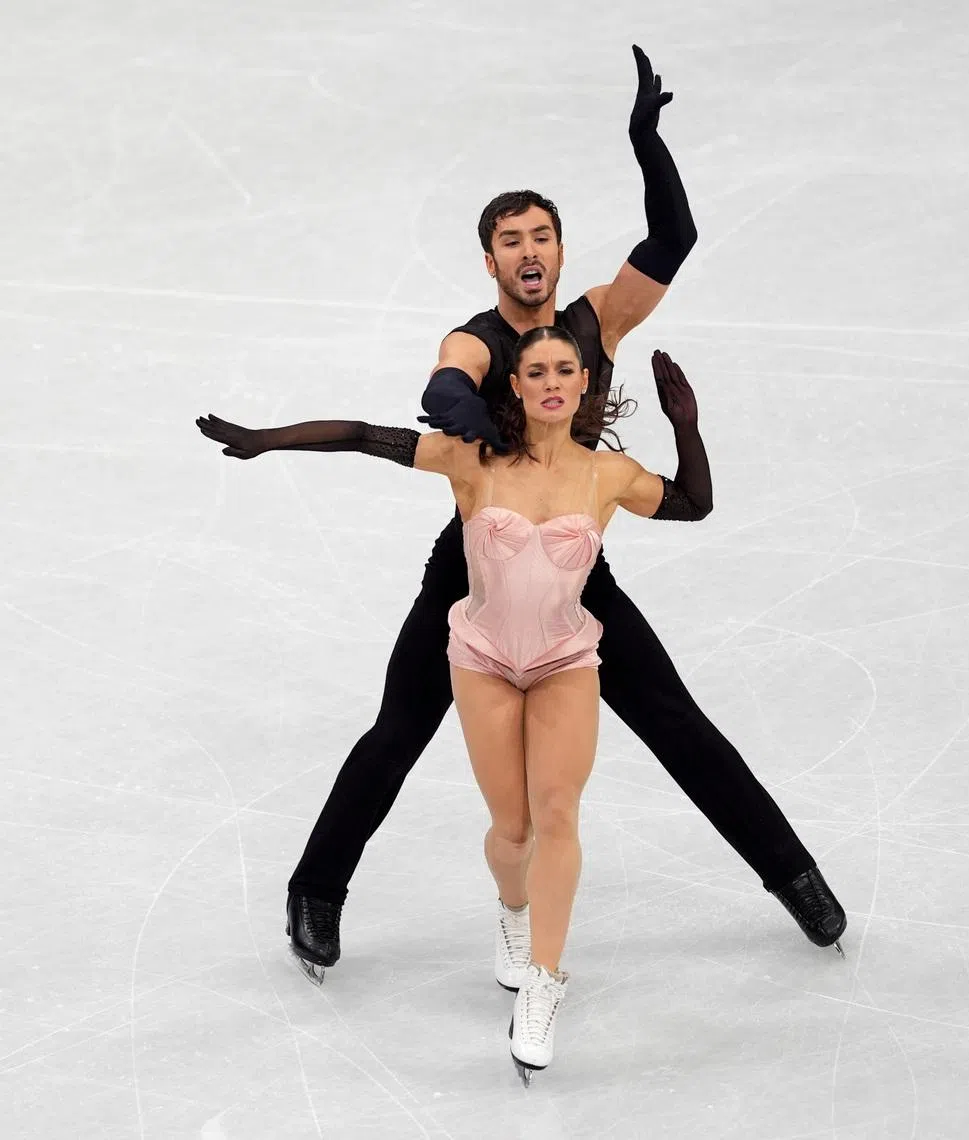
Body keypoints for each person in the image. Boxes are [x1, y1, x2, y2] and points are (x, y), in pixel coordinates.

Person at [280, 45, 845, 982]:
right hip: (475, 575)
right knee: (397, 732)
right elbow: (444, 390)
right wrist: (480, 425)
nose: (529, 251)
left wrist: (646, 144)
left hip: (577, 577)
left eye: (541, 234)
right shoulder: (477, 338)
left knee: (680, 725)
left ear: (558, 248)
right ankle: (316, 890)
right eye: (511, 240)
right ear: (490, 258)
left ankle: (793, 875)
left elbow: (673, 241)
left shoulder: (596, 324)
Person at [199, 333, 712, 1081]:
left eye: (565, 370)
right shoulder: (470, 459)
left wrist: (687, 424)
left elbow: (694, 504)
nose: (552, 381)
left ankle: (543, 982)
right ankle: (513, 910)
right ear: (516, 384)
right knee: (515, 830)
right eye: (536, 370)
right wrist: (268, 440)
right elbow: (364, 437)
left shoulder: (610, 474)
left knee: (559, 811)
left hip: (567, 660)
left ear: (580, 385)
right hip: (484, 663)